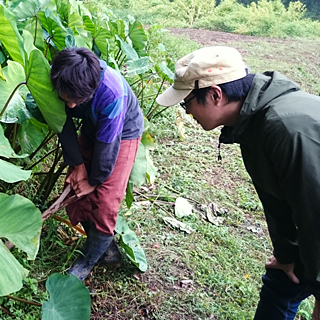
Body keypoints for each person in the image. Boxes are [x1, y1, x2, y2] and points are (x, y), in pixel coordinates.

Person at [156, 46, 320, 320]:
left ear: (215, 94)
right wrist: (287, 253)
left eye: (187, 103)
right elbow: (277, 198)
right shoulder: (250, 123)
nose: (186, 113)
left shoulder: (283, 128)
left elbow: (315, 214)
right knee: (281, 281)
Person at [50, 47, 144, 281]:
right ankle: (106, 248)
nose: (71, 106)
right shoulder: (60, 74)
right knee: (75, 188)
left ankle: (87, 262)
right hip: (93, 126)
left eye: (76, 101)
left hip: (122, 132)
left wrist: (95, 180)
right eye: (66, 99)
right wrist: (78, 165)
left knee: (105, 200)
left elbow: (107, 147)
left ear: (90, 90)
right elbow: (63, 122)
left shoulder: (112, 94)